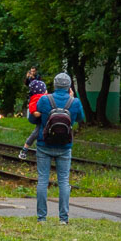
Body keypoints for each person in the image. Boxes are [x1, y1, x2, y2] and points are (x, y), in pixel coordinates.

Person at [30, 72, 84, 223]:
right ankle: (63, 219)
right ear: (69, 87)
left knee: (42, 180)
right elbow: (80, 118)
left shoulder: (45, 100)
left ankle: (42, 218)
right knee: (64, 182)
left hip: (44, 144)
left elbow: (32, 119)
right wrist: (73, 97)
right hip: (65, 146)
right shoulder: (75, 102)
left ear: (54, 85)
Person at [18, 79, 47, 160]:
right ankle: (24, 150)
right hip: (40, 120)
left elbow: (33, 110)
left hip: (41, 120)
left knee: (37, 134)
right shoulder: (39, 98)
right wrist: (43, 113)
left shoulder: (34, 99)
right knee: (37, 133)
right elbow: (34, 112)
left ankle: (27, 150)